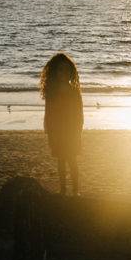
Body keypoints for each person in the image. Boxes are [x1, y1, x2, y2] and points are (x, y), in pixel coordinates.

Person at [40, 53, 84, 196]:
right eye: (60, 70)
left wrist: (79, 129)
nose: (63, 73)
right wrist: (48, 128)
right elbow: (48, 111)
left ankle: (76, 191)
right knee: (61, 159)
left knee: (72, 159)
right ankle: (63, 190)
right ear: (55, 72)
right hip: (57, 129)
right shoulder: (52, 91)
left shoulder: (74, 91)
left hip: (72, 129)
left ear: (70, 72)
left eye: (66, 70)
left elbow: (79, 111)